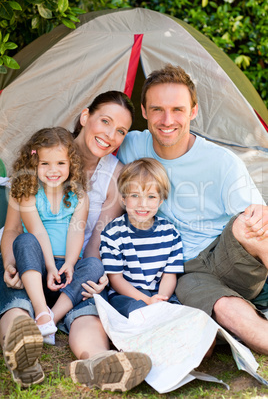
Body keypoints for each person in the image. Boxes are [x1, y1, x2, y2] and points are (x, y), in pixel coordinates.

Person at [0, 91, 152, 390]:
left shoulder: (114, 175)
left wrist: (98, 275)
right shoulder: (44, 156)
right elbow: (14, 230)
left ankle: (97, 362)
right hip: (31, 263)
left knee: (88, 309)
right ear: (85, 117)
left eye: (120, 131)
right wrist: (7, 261)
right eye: (105, 121)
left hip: (74, 268)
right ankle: (22, 351)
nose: (110, 135)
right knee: (16, 302)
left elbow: (95, 237)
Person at [117, 64, 268, 355]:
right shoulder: (131, 144)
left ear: (193, 111)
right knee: (223, 307)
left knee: (251, 223)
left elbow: (259, 215)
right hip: (186, 268)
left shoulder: (220, 161)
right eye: (158, 109)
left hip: (227, 254)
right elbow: (86, 146)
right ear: (144, 111)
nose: (167, 120)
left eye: (178, 109)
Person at [10, 127, 105, 344]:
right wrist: (50, 266)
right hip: (36, 270)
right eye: (45, 164)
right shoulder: (28, 193)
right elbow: (37, 231)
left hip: (66, 277)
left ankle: (51, 319)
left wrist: (70, 264)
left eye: (60, 163)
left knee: (94, 265)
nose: (53, 170)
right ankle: (41, 309)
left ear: (71, 164)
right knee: (24, 240)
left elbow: (76, 231)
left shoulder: (79, 195)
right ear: (34, 164)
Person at [100, 158, 184, 317]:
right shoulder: (113, 233)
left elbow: (169, 275)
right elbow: (116, 279)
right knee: (138, 313)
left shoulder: (170, 233)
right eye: (135, 195)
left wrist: (161, 300)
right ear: (124, 199)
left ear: (160, 201)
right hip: (126, 295)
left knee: (177, 314)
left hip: (159, 293)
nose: (142, 204)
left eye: (151, 197)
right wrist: (147, 300)